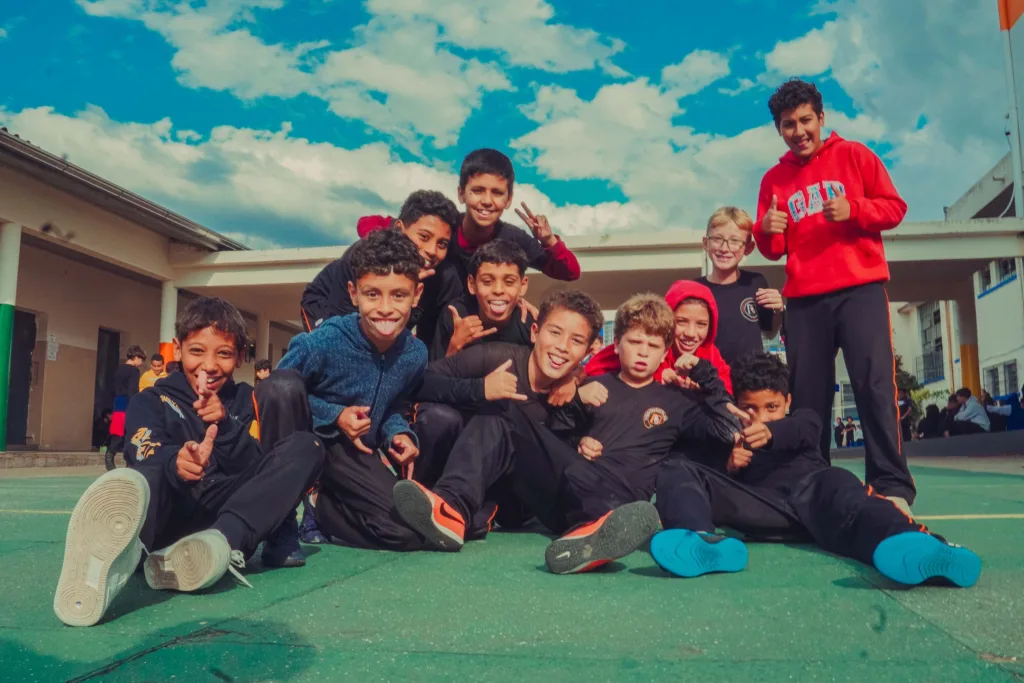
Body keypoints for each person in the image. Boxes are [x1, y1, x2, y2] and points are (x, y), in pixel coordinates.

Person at [53, 297, 325, 627]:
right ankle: (113, 564)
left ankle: (217, 545)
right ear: (177, 350)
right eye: (197, 351)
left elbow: (262, 471)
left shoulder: (246, 400)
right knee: (141, 480)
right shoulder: (152, 399)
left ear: (240, 356)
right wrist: (177, 461)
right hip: (170, 509)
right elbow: (142, 447)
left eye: (223, 354)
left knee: (307, 446)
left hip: (225, 512)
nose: (208, 366)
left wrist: (226, 428)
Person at [648, 352, 981, 589]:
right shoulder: (735, 436)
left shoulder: (802, 419)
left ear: (787, 402)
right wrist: (731, 468)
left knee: (848, 493)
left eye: (771, 408)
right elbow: (716, 405)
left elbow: (804, 430)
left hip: (817, 499)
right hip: (764, 509)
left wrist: (772, 433)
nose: (760, 416)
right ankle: (701, 541)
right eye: (750, 407)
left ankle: (917, 545)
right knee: (678, 469)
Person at [753, 78, 916, 512]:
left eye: (806, 120)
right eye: (789, 124)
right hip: (804, 300)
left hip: (859, 289)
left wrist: (856, 210)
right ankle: (811, 481)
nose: (799, 130)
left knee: (874, 385)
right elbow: (773, 247)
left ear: (821, 118)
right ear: (779, 129)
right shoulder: (774, 178)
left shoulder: (855, 155)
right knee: (808, 394)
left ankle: (891, 485)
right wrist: (764, 232)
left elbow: (895, 208)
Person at [279, 229, 444, 550]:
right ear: (354, 293)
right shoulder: (323, 341)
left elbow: (395, 405)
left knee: (407, 535)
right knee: (283, 389)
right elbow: (277, 393)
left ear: (417, 294)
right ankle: (286, 513)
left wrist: (399, 434)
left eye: (398, 295)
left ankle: (324, 509)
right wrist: (335, 415)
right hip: (309, 444)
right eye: (373, 294)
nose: (385, 308)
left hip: (353, 454)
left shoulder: (415, 353)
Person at [300, 190, 462, 347]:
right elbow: (343, 318)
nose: (432, 250)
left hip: (374, 322)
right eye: (424, 237)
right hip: (328, 305)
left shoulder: (444, 277)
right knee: (333, 349)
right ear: (399, 228)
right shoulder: (365, 255)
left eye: (442, 243)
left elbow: (427, 342)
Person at [447, 149, 581, 289]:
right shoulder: (444, 230)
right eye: (478, 191)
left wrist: (549, 241)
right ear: (461, 194)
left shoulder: (514, 239)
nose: (487, 201)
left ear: (509, 200)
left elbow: (570, 273)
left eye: (497, 193)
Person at [586, 280, 733, 395]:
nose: (691, 333)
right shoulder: (637, 344)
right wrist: (656, 378)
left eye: (701, 324)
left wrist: (704, 384)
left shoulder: (709, 354)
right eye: (681, 322)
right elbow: (590, 373)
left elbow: (728, 390)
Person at [696, 207, 784, 365]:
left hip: (749, 380)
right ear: (705, 243)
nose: (724, 248)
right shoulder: (694, 289)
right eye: (717, 239)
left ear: (748, 248)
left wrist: (778, 310)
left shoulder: (756, 283)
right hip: (707, 381)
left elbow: (770, 331)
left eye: (735, 241)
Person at [430, 239, 534, 360]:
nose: (498, 290)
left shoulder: (530, 324)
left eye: (509, 282)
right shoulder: (456, 316)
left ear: (523, 285)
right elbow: (435, 376)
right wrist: (455, 345)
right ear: (472, 284)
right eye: (487, 282)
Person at [106, 345, 146, 471]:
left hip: (118, 402)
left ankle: (109, 455)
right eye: (141, 360)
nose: (141, 363)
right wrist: (136, 405)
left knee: (118, 430)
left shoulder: (119, 370)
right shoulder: (134, 371)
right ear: (135, 357)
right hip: (128, 402)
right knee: (131, 432)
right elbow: (132, 390)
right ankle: (130, 462)